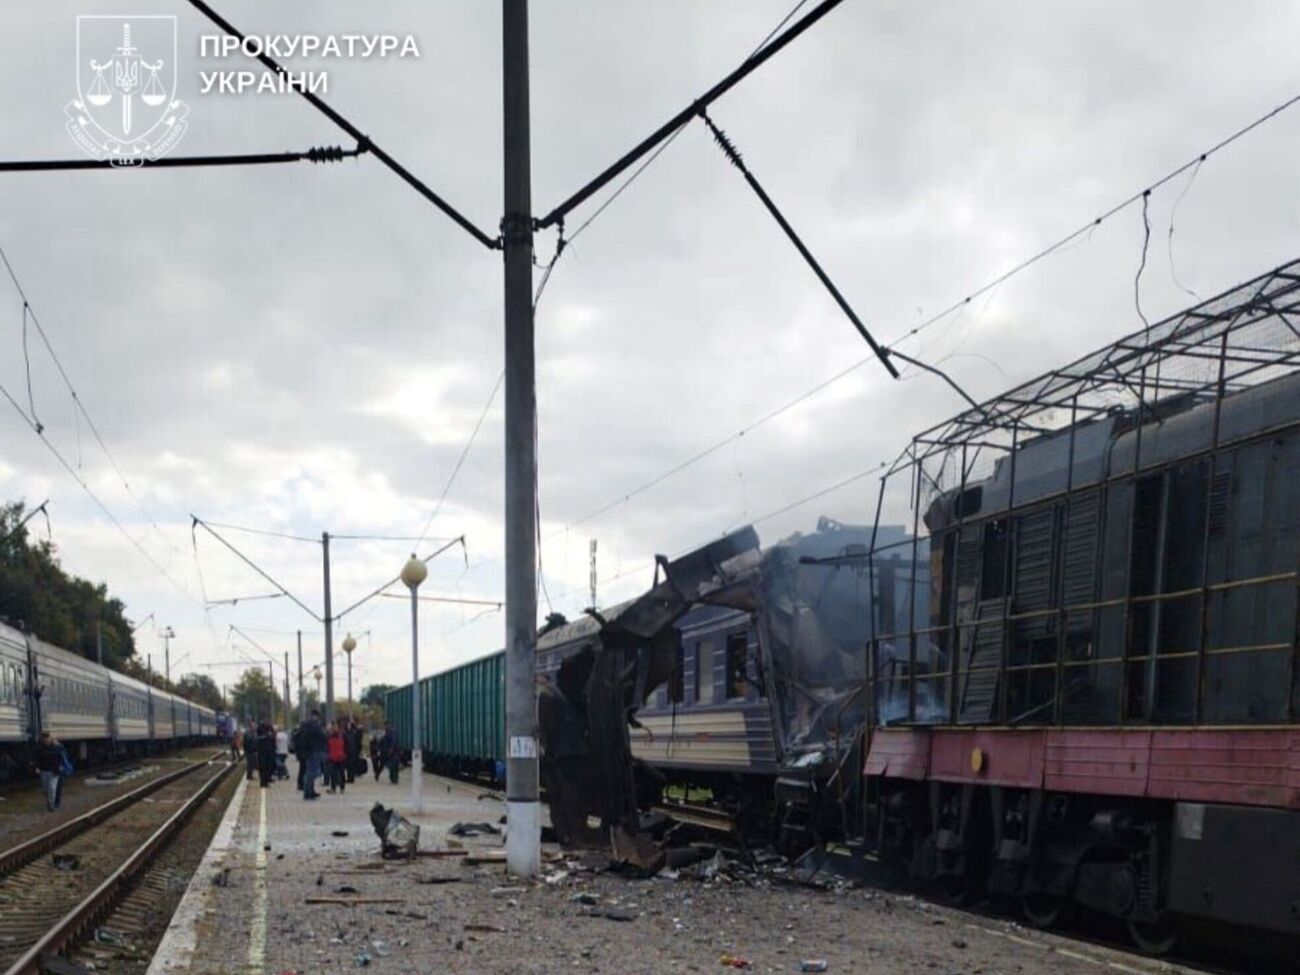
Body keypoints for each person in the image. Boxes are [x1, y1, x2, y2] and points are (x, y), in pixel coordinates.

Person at [33, 731, 69, 812]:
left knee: (52, 788)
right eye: (44, 739)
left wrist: (61, 767)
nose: (46, 740)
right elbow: (37, 758)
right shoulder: (39, 748)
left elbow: (62, 755)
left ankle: (51, 805)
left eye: (47, 738)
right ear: (42, 739)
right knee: (45, 788)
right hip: (44, 771)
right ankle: (49, 801)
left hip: (54, 771)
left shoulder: (57, 747)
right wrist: (36, 767)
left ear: (50, 738)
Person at [296, 710, 327, 800]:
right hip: (313, 751)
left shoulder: (308, 725)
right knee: (313, 772)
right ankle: (307, 792)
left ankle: (310, 790)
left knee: (312, 771)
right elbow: (320, 736)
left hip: (313, 751)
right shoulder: (312, 726)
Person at [326, 721, 347, 794]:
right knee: (332, 773)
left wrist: (345, 754)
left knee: (342, 773)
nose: (334, 728)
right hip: (332, 757)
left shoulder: (342, 735)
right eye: (333, 726)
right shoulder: (329, 736)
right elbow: (327, 747)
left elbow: (347, 745)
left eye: (336, 726)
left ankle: (342, 788)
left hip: (341, 757)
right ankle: (333, 788)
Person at [256, 721, 277, 789]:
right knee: (267, 767)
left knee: (263, 768)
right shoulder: (269, 735)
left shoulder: (260, 736)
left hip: (262, 752)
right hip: (268, 753)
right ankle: (265, 781)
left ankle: (264, 782)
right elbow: (273, 743)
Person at [344, 719, 362, 783]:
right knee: (348, 766)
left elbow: (359, 734)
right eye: (347, 725)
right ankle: (349, 778)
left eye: (350, 725)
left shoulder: (354, 733)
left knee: (352, 765)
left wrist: (354, 724)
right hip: (347, 752)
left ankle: (351, 778)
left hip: (353, 751)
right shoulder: (345, 733)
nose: (348, 726)